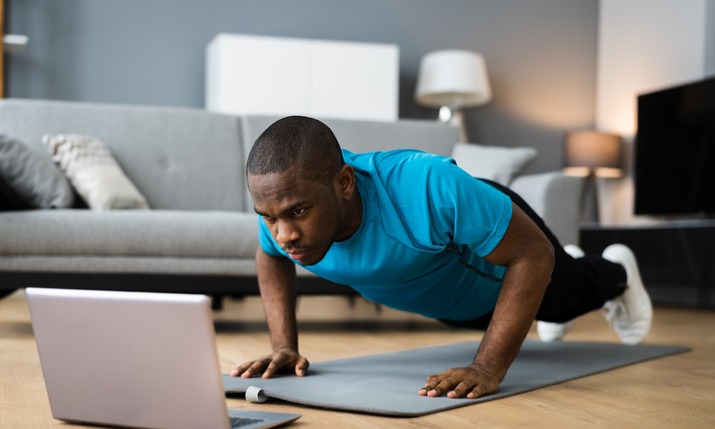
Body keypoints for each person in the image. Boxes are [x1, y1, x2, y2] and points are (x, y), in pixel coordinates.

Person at [230, 116, 653, 399]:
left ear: (344, 183)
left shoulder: (426, 187)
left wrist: (487, 366)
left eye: (297, 213)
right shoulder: (283, 206)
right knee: (503, 312)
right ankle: (571, 263)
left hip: (503, 251)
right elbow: (270, 257)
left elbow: (531, 254)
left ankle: (618, 271)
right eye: (268, 218)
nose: (284, 235)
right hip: (455, 300)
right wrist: (284, 345)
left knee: (561, 303)